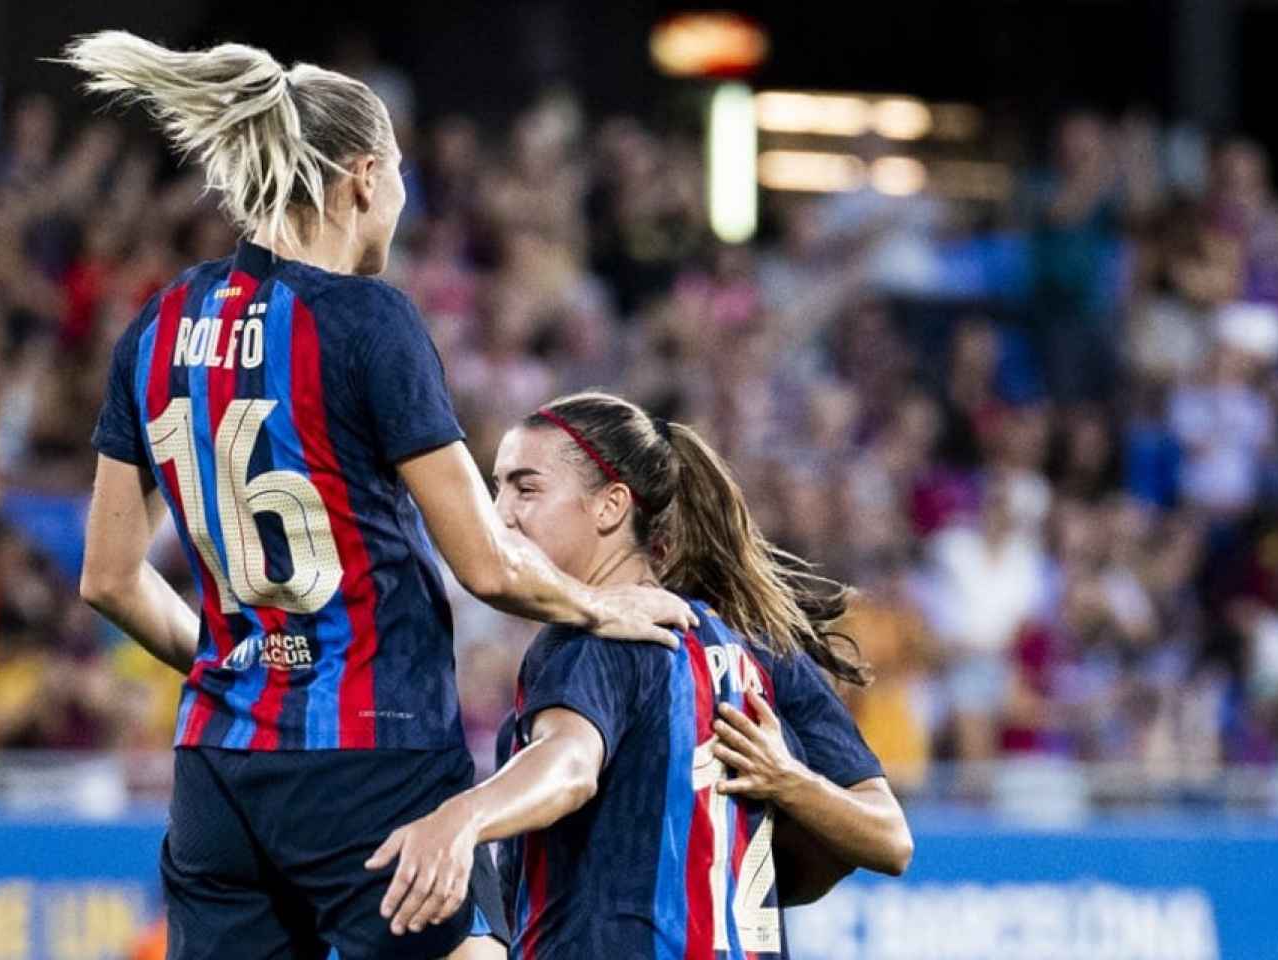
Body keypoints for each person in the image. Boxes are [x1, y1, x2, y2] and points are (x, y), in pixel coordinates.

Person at [64, 34, 693, 960]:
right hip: (369, 752)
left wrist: (251, 668)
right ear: (364, 176)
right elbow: (485, 562)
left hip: (217, 776)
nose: (400, 200)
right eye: (399, 175)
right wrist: (602, 606)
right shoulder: (368, 320)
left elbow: (110, 580)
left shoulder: (157, 324)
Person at [370, 393, 913, 957]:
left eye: (526, 488)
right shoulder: (759, 647)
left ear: (610, 507)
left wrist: (462, 817)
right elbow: (881, 842)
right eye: (498, 486)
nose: (500, 512)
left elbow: (571, 766)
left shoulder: (603, 636)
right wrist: (793, 788)